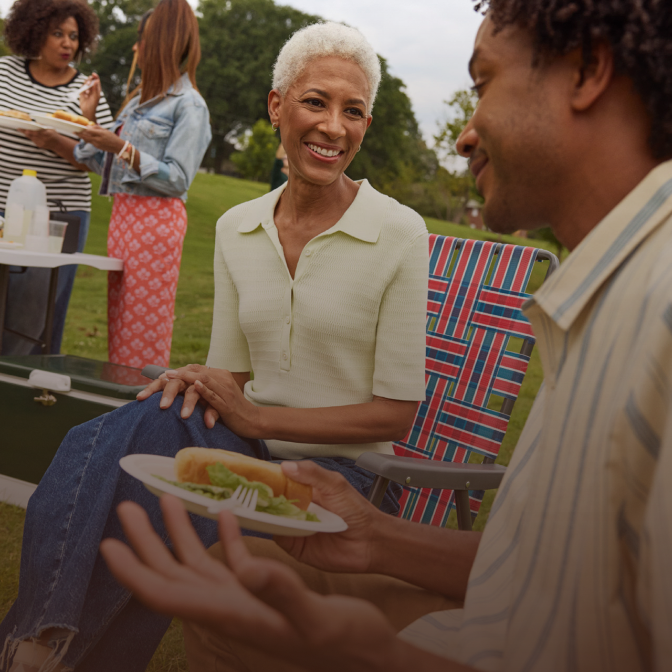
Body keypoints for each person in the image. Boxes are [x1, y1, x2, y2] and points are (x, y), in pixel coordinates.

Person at [100, 1, 672, 671]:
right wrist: (375, 537)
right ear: (276, 107)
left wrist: (377, 658)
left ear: (588, 72)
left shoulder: (654, 309)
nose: (464, 134)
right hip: (479, 601)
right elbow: (552, 567)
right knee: (214, 528)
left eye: (483, 82)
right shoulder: (602, 301)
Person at [0, 21, 429, 672]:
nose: (335, 127)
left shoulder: (399, 231)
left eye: (354, 111)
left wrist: (258, 418)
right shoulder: (239, 226)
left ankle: (39, 647)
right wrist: (201, 381)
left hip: (343, 478)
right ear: (276, 105)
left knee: (173, 504)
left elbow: (395, 414)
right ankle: (43, 637)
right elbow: (231, 374)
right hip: (247, 445)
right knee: (125, 426)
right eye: (316, 101)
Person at [72, 0, 212, 369]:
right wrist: (91, 122)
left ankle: (144, 417)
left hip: (155, 224)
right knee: (120, 328)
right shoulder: (137, 103)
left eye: (142, 39)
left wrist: (121, 146)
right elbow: (104, 164)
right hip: (123, 219)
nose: (136, 47)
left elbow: (178, 178)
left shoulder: (189, 106)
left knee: (142, 337)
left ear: (162, 42)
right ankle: (124, 412)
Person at [0, 0, 113, 356]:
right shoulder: (5, 72)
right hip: (3, 207)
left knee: (34, 317)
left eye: (74, 36)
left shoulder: (87, 92)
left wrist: (55, 141)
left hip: (60, 213)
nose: (68, 44)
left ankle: (27, 394)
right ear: (34, 32)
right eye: (57, 33)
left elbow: (102, 162)